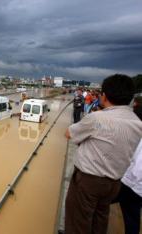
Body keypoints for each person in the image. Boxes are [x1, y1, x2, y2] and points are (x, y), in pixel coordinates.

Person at [64, 74, 142, 234]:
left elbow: (69, 133)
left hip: (89, 181)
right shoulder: (137, 123)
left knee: (78, 220)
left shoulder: (97, 118)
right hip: (114, 183)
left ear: (104, 96)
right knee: (100, 218)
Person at [116, 96, 142, 234]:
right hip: (136, 188)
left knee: (97, 201)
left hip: (131, 185)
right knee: (132, 217)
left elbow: (137, 167)